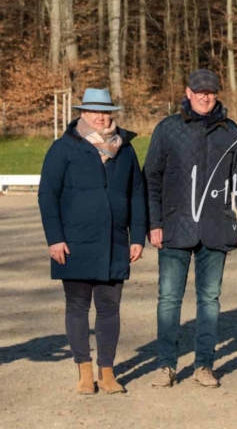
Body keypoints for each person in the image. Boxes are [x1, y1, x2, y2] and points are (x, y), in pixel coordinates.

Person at [144, 68, 237, 388]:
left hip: (216, 226)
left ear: (217, 94)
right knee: (169, 298)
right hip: (174, 226)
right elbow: (151, 177)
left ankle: (204, 365)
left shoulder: (231, 131)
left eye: (211, 91)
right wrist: (153, 223)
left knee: (209, 299)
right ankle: (166, 365)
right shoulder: (167, 129)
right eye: (200, 91)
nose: (206, 96)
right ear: (188, 92)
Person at [38, 88, 146, 395]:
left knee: (110, 308)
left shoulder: (125, 149)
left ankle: (107, 372)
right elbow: (47, 194)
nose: (101, 116)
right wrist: (55, 239)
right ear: (82, 113)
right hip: (74, 243)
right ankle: (84, 371)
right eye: (94, 111)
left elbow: (137, 192)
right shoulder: (63, 148)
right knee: (77, 306)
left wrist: (137, 236)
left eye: (106, 111)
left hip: (115, 243)